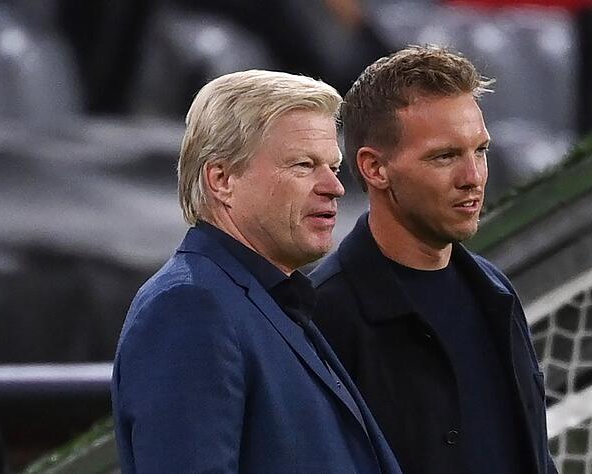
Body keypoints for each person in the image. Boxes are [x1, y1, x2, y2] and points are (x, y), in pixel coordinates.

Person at [111, 70, 401, 474]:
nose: (334, 187)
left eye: (333, 168)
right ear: (222, 179)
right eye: (304, 165)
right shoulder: (190, 308)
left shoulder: (270, 301)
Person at [310, 46, 559, 474]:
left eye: (479, 151)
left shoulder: (494, 294)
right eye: (445, 156)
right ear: (375, 168)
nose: (473, 178)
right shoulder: (321, 313)